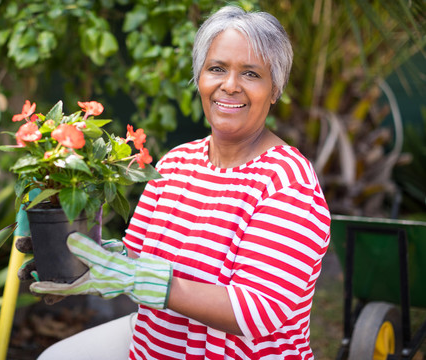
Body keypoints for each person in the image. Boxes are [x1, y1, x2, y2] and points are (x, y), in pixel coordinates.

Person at [20, 5, 331, 359]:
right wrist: (78, 260)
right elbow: (136, 258)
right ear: (200, 77)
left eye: (251, 74)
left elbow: (257, 312)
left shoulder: (288, 184)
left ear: (274, 89)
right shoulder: (175, 163)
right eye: (216, 69)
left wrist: (146, 282)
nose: (229, 86)